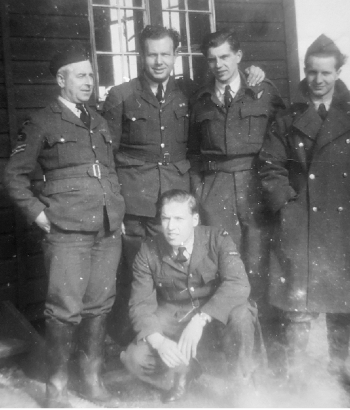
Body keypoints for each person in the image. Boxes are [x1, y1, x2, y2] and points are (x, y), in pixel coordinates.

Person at [102, 25, 265, 344]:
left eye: (165, 54)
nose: (159, 61)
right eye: (152, 54)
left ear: (175, 57)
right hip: (139, 208)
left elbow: (227, 83)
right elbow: (107, 157)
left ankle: (189, 350)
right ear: (141, 56)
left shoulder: (190, 93)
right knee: (139, 280)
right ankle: (141, 347)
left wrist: (253, 72)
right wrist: (116, 208)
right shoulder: (120, 97)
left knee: (183, 279)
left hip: (179, 203)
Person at [258, 34, 350, 389]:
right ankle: (297, 372)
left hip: (346, 221)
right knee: (299, 303)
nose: (318, 80)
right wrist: (286, 203)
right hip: (302, 221)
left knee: (344, 301)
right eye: (312, 72)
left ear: (338, 72)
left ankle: (337, 366)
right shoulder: (286, 120)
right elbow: (270, 167)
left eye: (326, 72)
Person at [4, 44, 125, 407]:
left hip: (107, 228)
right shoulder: (41, 122)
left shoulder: (99, 121)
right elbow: (14, 177)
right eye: (81, 75)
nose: (89, 81)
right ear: (61, 79)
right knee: (64, 309)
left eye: (91, 75)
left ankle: (90, 379)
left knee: (100, 305)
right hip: (67, 232)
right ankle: (56, 387)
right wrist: (41, 217)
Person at [120, 189, 262, 403]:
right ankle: (183, 372)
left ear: (194, 219)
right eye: (166, 218)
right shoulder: (148, 251)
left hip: (215, 313)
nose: (171, 227)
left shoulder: (217, 239)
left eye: (179, 219)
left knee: (242, 314)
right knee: (134, 359)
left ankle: (240, 383)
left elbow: (238, 283)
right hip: (175, 314)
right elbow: (140, 305)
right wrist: (159, 342)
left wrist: (202, 318)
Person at [188, 28, 285, 316]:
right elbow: (192, 150)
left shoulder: (264, 91)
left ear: (239, 56)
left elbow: (283, 139)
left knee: (260, 265)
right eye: (211, 59)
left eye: (225, 57)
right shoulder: (200, 100)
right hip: (215, 189)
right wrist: (199, 190)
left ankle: (265, 345)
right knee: (222, 263)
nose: (219, 65)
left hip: (256, 186)